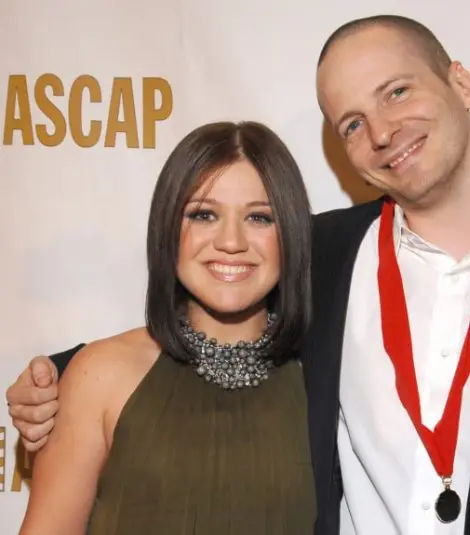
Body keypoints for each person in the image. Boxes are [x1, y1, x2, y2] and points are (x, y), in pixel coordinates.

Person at [7, 15, 470, 535]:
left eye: (397, 91)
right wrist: (54, 376)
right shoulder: (318, 254)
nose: (382, 131)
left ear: (462, 84)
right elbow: (204, 326)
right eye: (352, 123)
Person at [14, 121, 316, 534]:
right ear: (168, 227)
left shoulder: (325, 381)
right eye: (204, 215)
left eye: (259, 217)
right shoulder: (99, 376)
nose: (231, 241)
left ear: (292, 234)